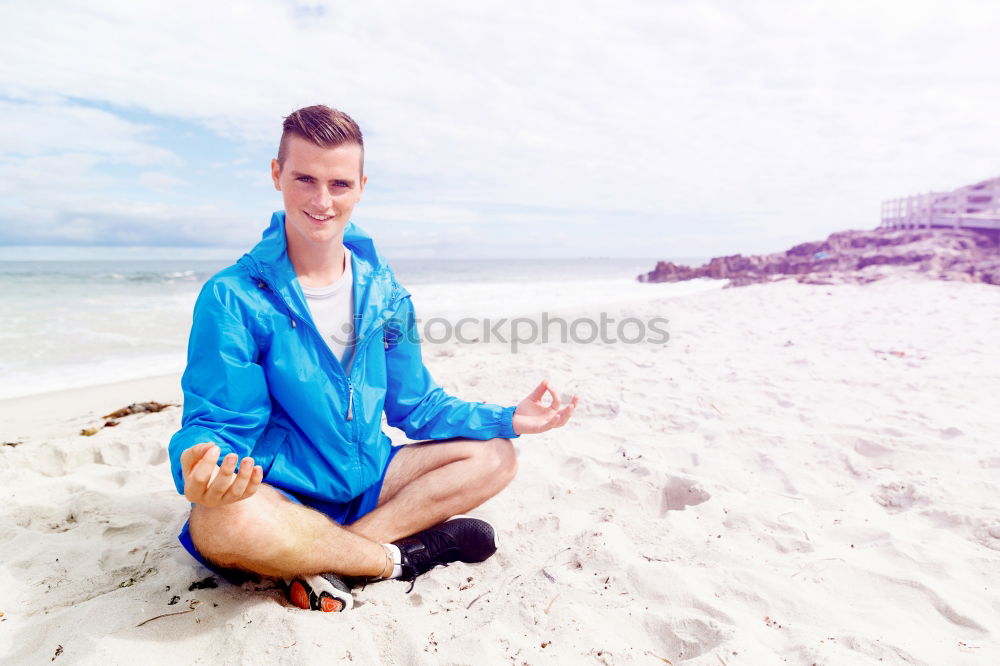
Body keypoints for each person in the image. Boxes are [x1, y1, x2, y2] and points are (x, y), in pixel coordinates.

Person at [167, 105, 578, 612]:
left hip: (369, 480)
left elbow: (417, 406)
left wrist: (509, 417)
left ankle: (330, 561)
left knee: (496, 454)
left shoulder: (386, 295)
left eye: (339, 184)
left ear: (361, 185)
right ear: (277, 175)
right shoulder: (232, 296)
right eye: (304, 179)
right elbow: (220, 422)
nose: (322, 201)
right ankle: (397, 559)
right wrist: (203, 466)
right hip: (281, 494)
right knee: (221, 523)